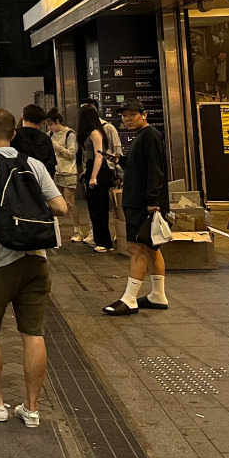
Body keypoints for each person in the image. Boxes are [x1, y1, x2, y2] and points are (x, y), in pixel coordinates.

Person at [0, 108, 68, 427]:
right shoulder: (33, 164)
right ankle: (31, 409)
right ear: (15, 134)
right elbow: (60, 206)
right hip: (36, 260)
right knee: (33, 333)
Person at [103, 100, 171, 316]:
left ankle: (130, 299)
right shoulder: (143, 137)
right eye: (124, 116)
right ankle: (158, 295)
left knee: (136, 248)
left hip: (142, 204)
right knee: (151, 248)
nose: (127, 119)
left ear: (144, 114)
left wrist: (153, 201)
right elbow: (140, 167)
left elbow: (155, 170)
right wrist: (121, 160)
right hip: (142, 202)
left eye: (132, 114)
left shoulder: (149, 135)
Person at [76, 105, 116, 253]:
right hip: (93, 168)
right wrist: (86, 172)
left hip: (99, 171)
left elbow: (99, 155)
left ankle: (105, 242)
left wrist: (93, 177)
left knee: (99, 208)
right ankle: (100, 240)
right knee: (94, 207)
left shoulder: (95, 133)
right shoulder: (89, 133)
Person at [47, 108, 85, 241]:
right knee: (53, 202)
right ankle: (54, 230)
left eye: (51, 124)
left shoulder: (70, 134)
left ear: (57, 122)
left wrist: (56, 146)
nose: (50, 127)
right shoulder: (50, 135)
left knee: (69, 203)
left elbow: (71, 154)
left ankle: (77, 231)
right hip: (55, 171)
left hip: (69, 171)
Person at [11, 105, 58, 178]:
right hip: (40, 179)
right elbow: (52, 163)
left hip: (19, 180)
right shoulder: (45, 138)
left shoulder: (14, 136)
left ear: (23, 117)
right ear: (41, 121)